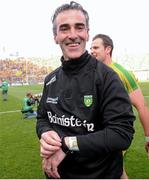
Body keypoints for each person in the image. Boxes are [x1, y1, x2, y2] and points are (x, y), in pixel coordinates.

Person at [36, 1, 135, 179]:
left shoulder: (107, 78)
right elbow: (42, 118)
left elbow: (122, 134)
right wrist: (44, 132)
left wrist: (68, 144)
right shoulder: (50, 79)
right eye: (64, 28)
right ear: (55, 37)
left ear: (87, 34)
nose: (73, 35)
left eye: (79, 27)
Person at [90, 33, 149, 179]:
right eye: (91, 47)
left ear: (108, 49)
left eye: (96, 47)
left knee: (115, 172)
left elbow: (141, 106)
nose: (91, 50)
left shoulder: (122, 74)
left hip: (113, 134)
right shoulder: (90, 72)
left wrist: (148, 137)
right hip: (92, 135)